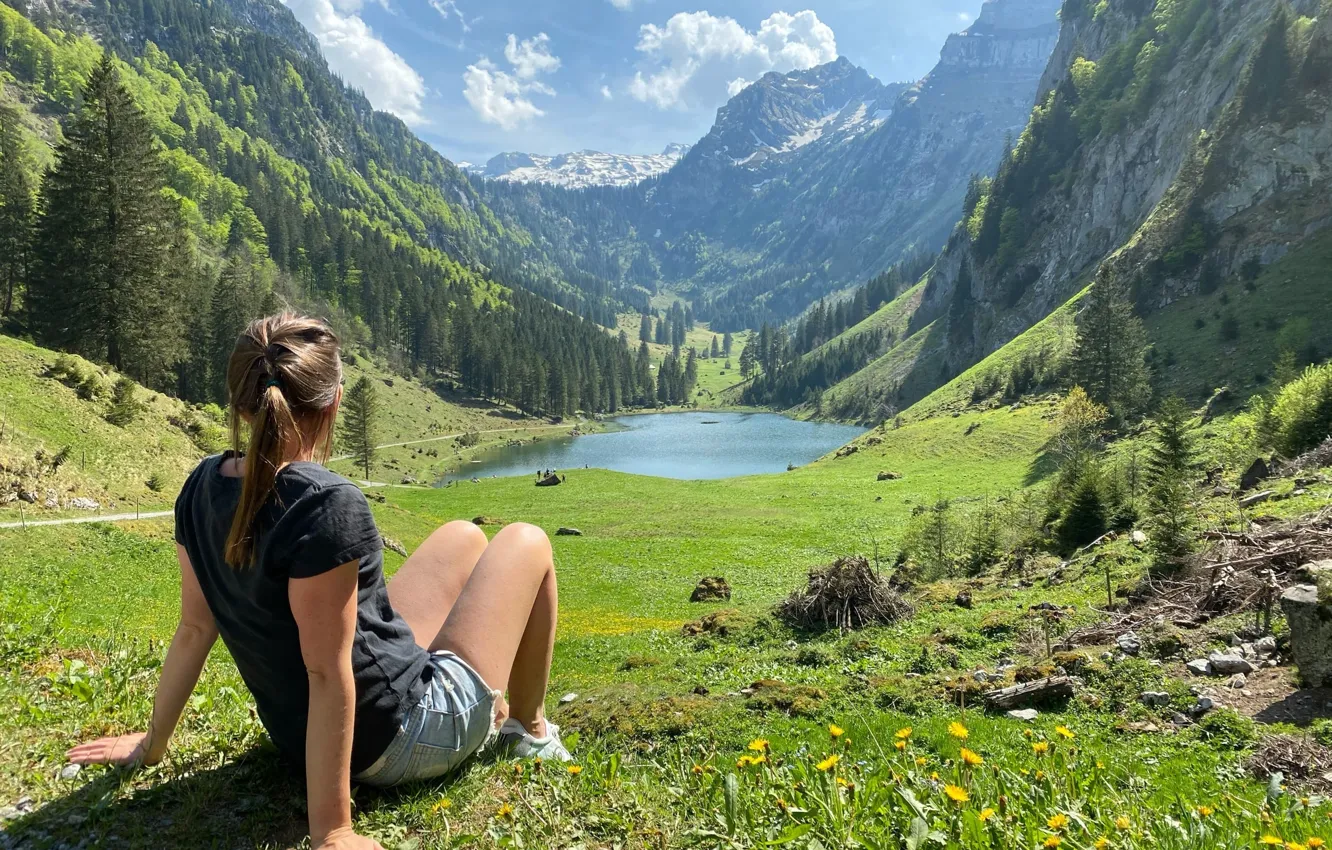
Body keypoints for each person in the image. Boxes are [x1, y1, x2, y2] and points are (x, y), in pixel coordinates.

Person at [66, 314, 567, 850]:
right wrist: (333, 830)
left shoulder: (198, 488)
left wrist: (152, 745)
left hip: (298, 738)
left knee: (463, 537)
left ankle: (480, 699)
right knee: (526, 540)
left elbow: (194, 627)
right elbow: (327, 672)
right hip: (398, 742)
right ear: (334, 402)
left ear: (238, 404)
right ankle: (529, 731)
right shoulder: (325, 502)